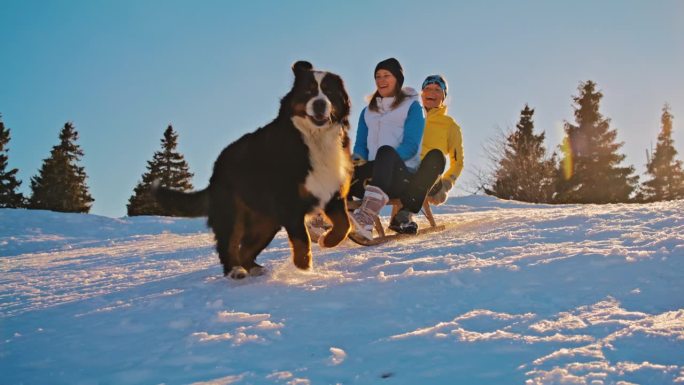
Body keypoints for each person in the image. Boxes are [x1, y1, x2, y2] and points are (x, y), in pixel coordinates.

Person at [349, 58, 445, 240]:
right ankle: (327, 218)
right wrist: (353, 164)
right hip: (370, 176)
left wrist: (382, 162)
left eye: (387, 75)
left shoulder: (412, 106)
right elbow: (360, 146)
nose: (381, 80)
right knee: (340, 162)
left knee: (432, 156)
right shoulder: (367, 111)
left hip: (400, 178)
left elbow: (410, 146)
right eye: (378, 76)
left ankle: (367, 218)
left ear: (398, 79)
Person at [420, 74, 464, 206]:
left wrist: (445, 185)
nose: (432, 93)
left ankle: (404, 217)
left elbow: (458, 163)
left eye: (437, 90)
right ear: (422, 94)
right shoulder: (412, 119)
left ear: (443, 97)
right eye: (428, 89)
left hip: (429, 176)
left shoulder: (450, 126)